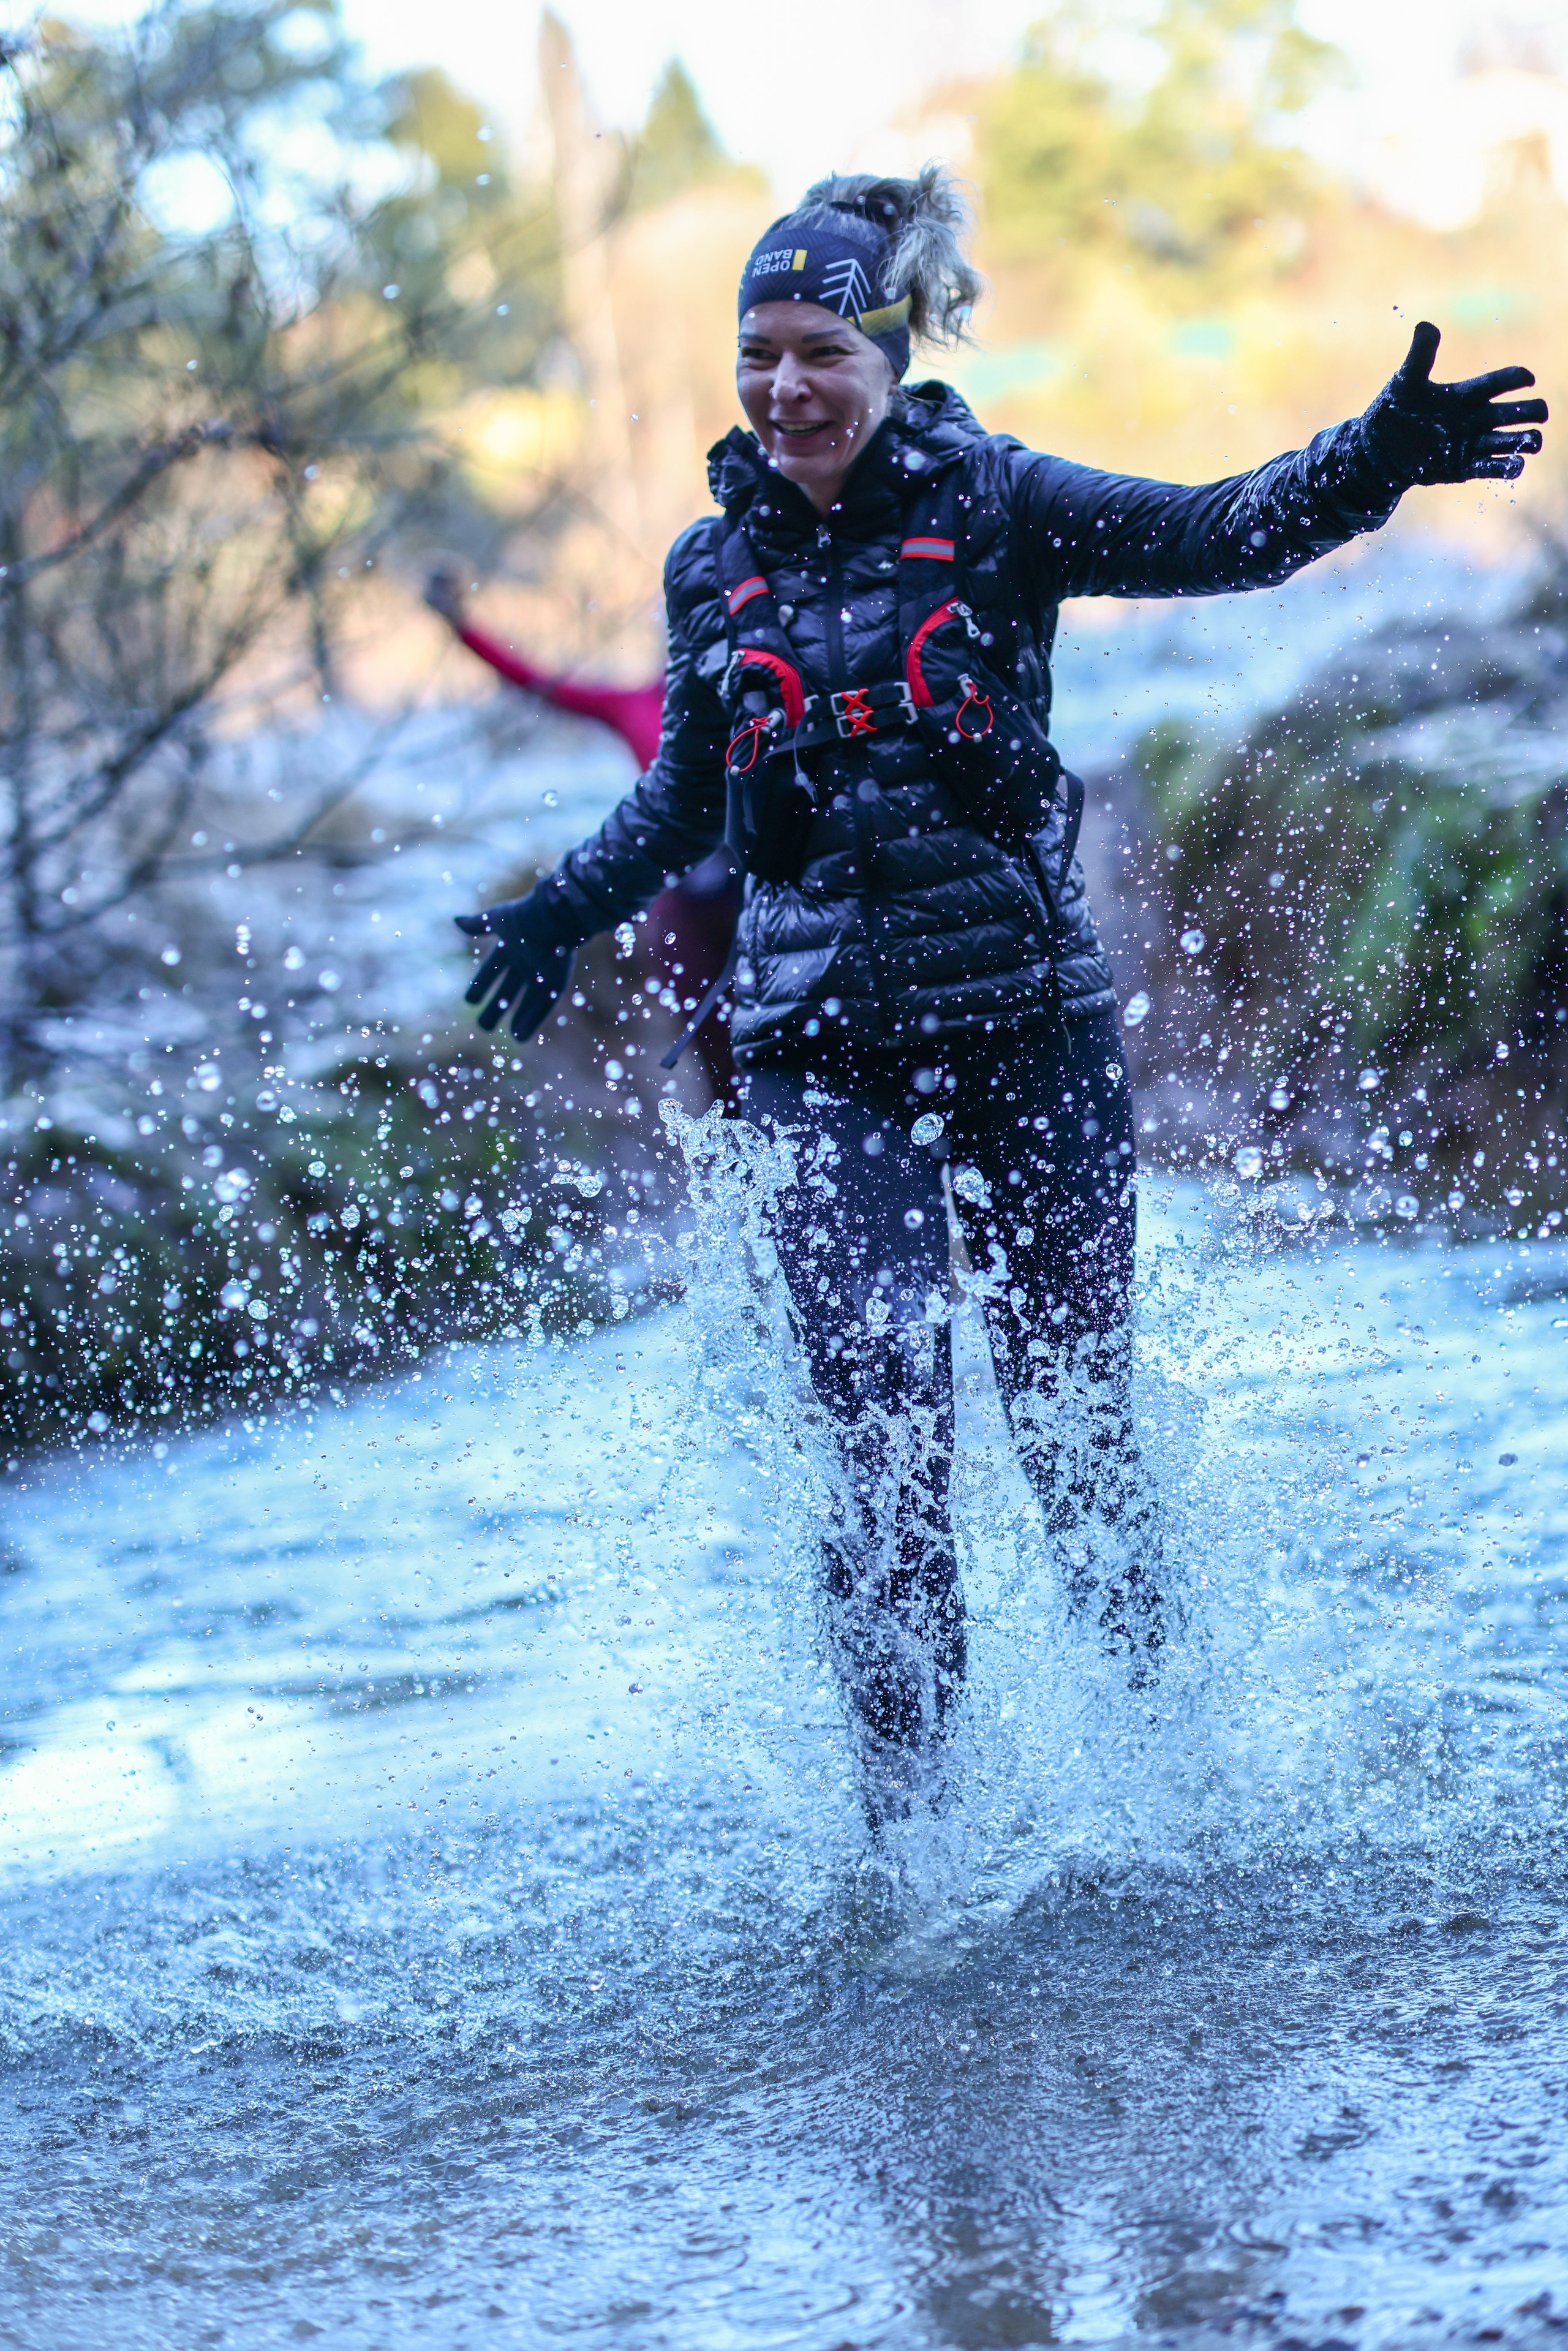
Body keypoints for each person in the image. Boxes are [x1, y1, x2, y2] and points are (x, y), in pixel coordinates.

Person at [454, 167, 1545, 1818]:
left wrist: (1373, 458)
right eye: (757, 353)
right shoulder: (706, 568)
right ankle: (905, 1865)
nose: (783, 386)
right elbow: (686, 794)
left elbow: (1218, 532)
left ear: (890, 348)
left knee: (1075, 1439)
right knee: (883, 1466)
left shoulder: (1000, 502)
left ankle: (1177, 1799)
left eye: (818, 346)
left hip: (1030, 1035)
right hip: (817, 1064)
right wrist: (560, 908)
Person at [424, 564, 739, 1094]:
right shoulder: (634, 704)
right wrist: (461, 626)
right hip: (681, 905)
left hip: (761, 894)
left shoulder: (757, 690)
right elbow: (539, 683)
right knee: (717, 1063)